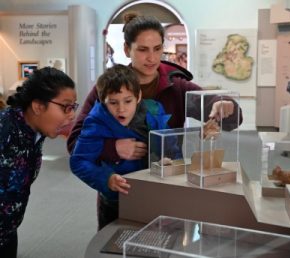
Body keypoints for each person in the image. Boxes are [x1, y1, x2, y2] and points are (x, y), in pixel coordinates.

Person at [67, 13, 243, 228]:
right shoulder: (108, 87)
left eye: (157, 49)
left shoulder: (177, 87)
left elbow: (227, 115)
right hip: (120, 195)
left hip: (165, 188)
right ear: (126, 49)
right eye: (142, 49)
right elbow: (75, 142)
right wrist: (113, 148)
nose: (151, 58)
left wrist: (224, 105)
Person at [69, 64, 174, 229]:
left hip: (150, 195)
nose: (121, 109)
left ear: (138, 96)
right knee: (112, 244)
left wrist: (168, 159)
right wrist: (106, 178)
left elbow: (170, 145)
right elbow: (78, 161)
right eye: (113, 102)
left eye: (128, 101)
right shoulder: (95, 122)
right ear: (103, 100)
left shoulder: (154, 111)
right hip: (115, 200)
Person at [0, 67, 78, 258]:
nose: (72, 115)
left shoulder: (35, 132)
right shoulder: (5, 131)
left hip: (8, 231)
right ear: (38, 106)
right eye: (65, 107)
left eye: (73, 107)